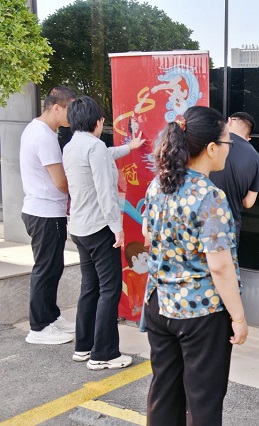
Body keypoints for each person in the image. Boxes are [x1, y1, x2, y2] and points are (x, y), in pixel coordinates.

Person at [142, 106, 248, 425]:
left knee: (164, 392)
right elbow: (220, 267)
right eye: (227, 142)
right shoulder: (209, 196)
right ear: (212, 148)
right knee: (203, 402)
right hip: (200, 312)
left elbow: (148, 235)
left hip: (160, 303)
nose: (229, 149)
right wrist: (239, 317)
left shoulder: (158, 184)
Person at [63, 95, 144, 370]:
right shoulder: (94, 147)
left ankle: (84, 347)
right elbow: (106, 192)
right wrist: (117, 228)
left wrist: (129, 147)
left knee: (90, 287)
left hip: (79, 227)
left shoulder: (71, 146)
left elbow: (105, 155)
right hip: (99, 228)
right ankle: (104, 354)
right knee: (109, 289)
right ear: (97, 122)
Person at [20, 85, 77, 345]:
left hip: (41, 210)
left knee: (52, 267)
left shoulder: (37, 129)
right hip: (45, 213)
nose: (72, 116)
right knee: (46, 269)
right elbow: (61, 182)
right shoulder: (44, 136)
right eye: (69, 110)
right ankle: (39, 327)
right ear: (56, 108)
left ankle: (51, 316)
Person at [210, 112, 259, 239]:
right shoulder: (257, 159)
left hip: (203, 218)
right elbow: (248, 203)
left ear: (229, 121)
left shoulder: (212, 143)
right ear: (248, 137)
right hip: (230, 226)